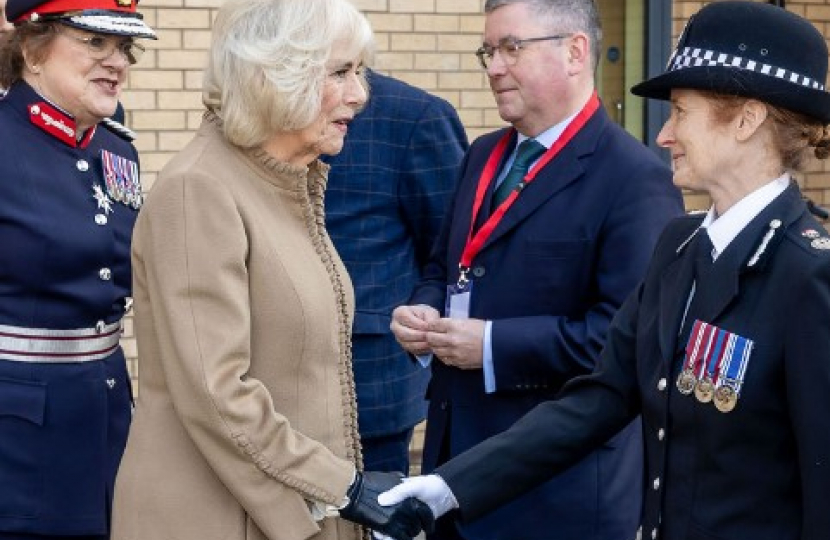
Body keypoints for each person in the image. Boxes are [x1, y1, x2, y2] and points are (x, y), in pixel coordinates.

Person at [381, 3, 830, 540]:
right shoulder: (681, 246)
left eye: (681, 112)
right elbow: (601, 398)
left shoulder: (810, 276)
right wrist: (446, 488)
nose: (664, 135)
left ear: (745, 120)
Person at [110, 2, 433, 540]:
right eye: (340, 72)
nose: (360, 94)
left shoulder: (286, 182)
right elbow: (218, 393)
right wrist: (346, 488)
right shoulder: (199, 189)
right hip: (215, 518)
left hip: (293, 508)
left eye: (359, 72)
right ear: (274, 77)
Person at [388, 1, 683, 539]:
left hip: (556, 495)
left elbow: (625, 341)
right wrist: (423, 308)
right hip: (452, 468)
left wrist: (492, 345)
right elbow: (443, 266)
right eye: (488, 50)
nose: (494, 67)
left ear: (575, 52)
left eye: (511, 47)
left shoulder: (634, 178)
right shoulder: (481, 155)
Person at [0, 0, 155, 538]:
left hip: (106, 416)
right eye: (94, 42)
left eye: (124, 48)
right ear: (32, 51)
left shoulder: (115, 148)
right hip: (16, 440)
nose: (117, 62)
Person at [322, 68, 468, 474]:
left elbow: (449, 254)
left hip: (369, 387)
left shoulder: (414, 116)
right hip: (267, 391)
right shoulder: (259, 101)